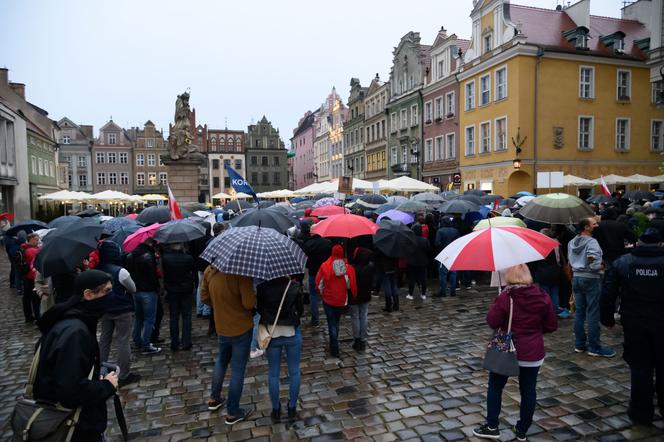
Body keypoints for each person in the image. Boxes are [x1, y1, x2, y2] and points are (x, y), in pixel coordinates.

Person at [473, 264, 558, 441]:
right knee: (528, 390)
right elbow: (551, 325)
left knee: (495, 387)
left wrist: (496, 304)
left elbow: (492, 321)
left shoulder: (506, 297)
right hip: (533, 352)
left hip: (506, 351)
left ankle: (492, 426)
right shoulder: (543, 296)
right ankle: (522, 430)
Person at [33, 270, 118, 442]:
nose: (111, 296)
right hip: (75, 427)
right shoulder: (75, 332)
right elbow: (70, 389)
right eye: (106, 291)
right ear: (88, 294)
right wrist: (106, 385)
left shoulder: (72, 320)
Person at [601, 228, 664, 426]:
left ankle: (640, 412)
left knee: (639, 368)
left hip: (635, 323)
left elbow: (608, 292)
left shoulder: (623, 262)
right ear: (661, 244)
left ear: (639, 243)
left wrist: (607, 318)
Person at [200, 266, 255, 424]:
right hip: (241, 328)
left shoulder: (209, 271)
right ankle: (233, 412)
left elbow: (204, 297)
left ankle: (214, 398)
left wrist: (220, 305)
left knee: (222, 361)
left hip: (222, 326)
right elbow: (249, 303)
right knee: (237, 369)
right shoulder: (241, 273)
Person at [256, 276, 303, 423]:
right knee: (294, 371)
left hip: (272, 333)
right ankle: (292, 407)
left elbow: (260, 310)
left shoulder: (262, 288)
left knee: (273, 373)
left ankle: (276, 409)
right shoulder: (294, 287)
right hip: (291, 332)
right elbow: (300, 310)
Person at [568, 217, 615, 358]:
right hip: (590, 279)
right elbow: (592, 262)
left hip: (577, 277)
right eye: (594, 224)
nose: (597, 226)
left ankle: (579, 344)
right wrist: (602, 266)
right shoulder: (592, 242)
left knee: (579, 312)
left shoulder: (572, 242)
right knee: (593, 313)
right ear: (586, 227)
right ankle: (594, 347)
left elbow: (571, 260)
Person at [97, 240, 141, 387]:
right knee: (123, 340)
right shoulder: (120, 271)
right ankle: (123, 374)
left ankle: (100, 369)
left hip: (104, 309)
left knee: (105, 339)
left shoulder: (97, 270)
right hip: (122, 309)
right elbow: (133, 288)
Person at [316, 244, 357, 358]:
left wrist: (321, 294)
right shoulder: (347, 268)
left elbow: (319, 283)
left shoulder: (325, 266)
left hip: (328, 299)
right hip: (341, 299)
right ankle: (334, 343)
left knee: (331, 322)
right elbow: (350, 285)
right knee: (337, 322)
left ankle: (334, 347)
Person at [125, 237, 162, 354]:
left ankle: (137, 340)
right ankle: (146, 344)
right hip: (148, 291)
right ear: (150, 243)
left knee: (139, 318)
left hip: (136, 290)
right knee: (149, 319)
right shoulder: (148, 256)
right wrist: (157, 288)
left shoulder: (131, 255)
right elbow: (152, 276)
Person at [162, 242, 196, 351]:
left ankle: (174, 342)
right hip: (186, 290)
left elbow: (165, 274)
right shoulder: (188, 258)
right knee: (186, 317)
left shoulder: (165, 258)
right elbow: (192, 273)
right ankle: (186, 342)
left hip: (172, 290)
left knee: (174, 317)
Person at [299, 223, 332, 326]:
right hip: (326, 272)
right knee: (327, 295)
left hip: (313, 272)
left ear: (311, 232)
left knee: (313, 296)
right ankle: (330, 317)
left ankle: (315, 319)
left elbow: (304, 260)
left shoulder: (308, 244)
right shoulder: (328, 243)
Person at [528, 228, 564, 316]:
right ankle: (555, 310)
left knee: (545, 293)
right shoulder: (556, 245)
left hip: (542, 273)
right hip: (555, 272)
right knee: (555, 292)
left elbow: (534, 263)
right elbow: (560, 260)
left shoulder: (538, 246)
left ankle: (547, 312)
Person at [349, 246, 375, 351]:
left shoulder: (352, 268)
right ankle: (363, 339)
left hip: (354, 296)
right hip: (365, 295)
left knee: (355, 317)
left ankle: (357, 339)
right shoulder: (370, 266)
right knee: (363, 316)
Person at [434, 216, 459, 298]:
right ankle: (453, 291)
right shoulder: (455, 231)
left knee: (443, 274)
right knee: (453, 273)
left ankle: (443, 291)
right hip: (453, 254)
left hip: (443, 255)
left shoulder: (440, 231)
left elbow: (437, 243)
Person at [406, 224, 430, 300]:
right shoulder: (425, 240)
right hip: (423, 262)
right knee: (423, 279)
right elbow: (428, 250)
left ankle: (410, 294)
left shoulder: (410, 240)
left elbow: (407, 250)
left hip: (412, 262)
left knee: (412, 279)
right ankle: (423, 294)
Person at [21, 232, 41, 323]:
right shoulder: (31, 250)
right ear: (31, 240)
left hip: (26, 276)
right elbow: (37, 262)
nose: (38, 241)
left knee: (26, 297)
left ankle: (28, 316)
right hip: (32, 277)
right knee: (35, 298)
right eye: (36, 240)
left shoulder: (24, 247)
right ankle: (37, 317)